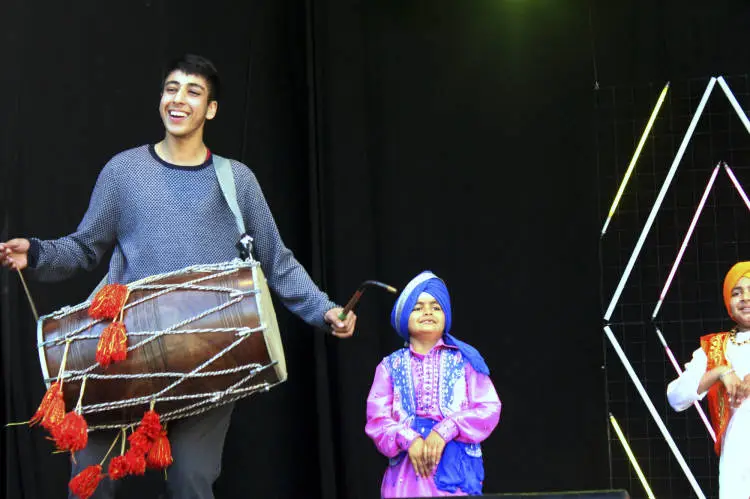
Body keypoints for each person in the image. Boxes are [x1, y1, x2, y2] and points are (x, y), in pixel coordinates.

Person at [0, 54, 356, 499]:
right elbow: (85, 246)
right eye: (172, 88)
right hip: (122, 351)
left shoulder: (235, 180)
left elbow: (277, 261)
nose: (179, 99)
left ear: (210, 109)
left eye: (193, 91)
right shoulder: (124, 172)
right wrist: (35, 253)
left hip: (205, 352)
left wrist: (325, 310)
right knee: (89, 483)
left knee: (191, 480)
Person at [365, 271, 501, 497]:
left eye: (436, 307)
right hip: (408, 471)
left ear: (446, 315)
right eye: (417, 307)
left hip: (454, 470)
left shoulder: (466, 360)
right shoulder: (389, 366)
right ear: (404, 316)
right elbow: (377, 419)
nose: (427, 311)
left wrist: (446, 429)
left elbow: (489, 408)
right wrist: (408, 439)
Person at [667, 261, 750, 499]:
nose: (745, 298)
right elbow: (675, 398)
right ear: (728, 301)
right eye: (737, 292)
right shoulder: (714, 348)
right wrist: (719, 372)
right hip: (738, 464)